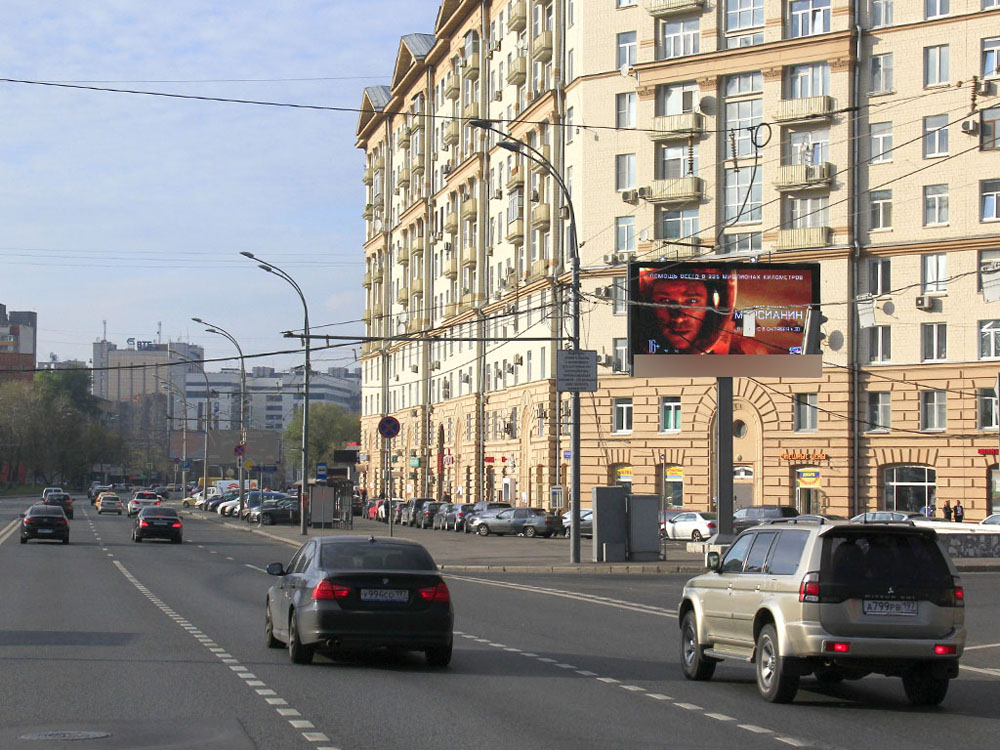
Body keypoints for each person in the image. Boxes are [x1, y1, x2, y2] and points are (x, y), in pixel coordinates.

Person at [638, 268, 768, 355]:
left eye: (692, 301)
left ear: (711, 303)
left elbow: (758, 343)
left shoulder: (745, 317)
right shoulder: (641, 349)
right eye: (664, 300)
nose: (678, 317)